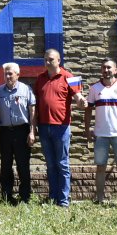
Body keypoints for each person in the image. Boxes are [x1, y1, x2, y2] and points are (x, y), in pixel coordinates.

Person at [31, 48, 84, 207]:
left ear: (59, 61)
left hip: (61, 127)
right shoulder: (40, 79)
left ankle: (64, 200)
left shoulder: (69, 77)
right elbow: (35, 104)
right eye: (46, 59)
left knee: (62, 164)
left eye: (51, 59)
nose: (48, 62)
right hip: (44, 127)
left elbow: (78, 96)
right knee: (51, 164)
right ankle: (53, 197)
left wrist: (81, 101)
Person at [84, 58, 117, 205]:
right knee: (100, 168)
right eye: (103, 68)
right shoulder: (95, 89)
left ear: (115, 70)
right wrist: (87, 129)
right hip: (101, 135)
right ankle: (99, 200)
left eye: (109, 68)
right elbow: (88, 111)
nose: (106, 70)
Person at [0, 61, 35, 204]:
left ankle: (25, 196)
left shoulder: (26, 90)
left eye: (10, 73)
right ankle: (7, 195)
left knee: (23, 165)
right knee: (5, 164)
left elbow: (32, 112)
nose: (8, 76)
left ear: (18, 74)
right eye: (6, 74)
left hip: (22, 131)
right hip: (5, 132)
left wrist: (32, 132)